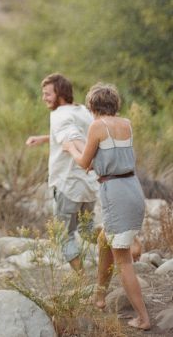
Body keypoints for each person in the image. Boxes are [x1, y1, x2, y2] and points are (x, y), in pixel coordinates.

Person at [62, 82, 150, 331]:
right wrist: (89, 154)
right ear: (115, 104)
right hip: (133, 188)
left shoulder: (97, 126)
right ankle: (100, 297)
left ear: (91, 106)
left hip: (116, 195)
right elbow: (105, 157)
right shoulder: (126, 125)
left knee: (123, 261)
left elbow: (83, 163)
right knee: (103, 240)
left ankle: (143, 318)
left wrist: (70, 147)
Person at [26, 73, 98, 270]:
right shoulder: (82, 110)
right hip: (89, 184)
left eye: (48, 94)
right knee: (87, 231)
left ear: (60, 93)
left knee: (63, 235)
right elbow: (71, 134)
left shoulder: (59, 115)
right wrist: (43, 138)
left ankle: (82, 280)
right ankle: (121, 241)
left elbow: (73, 137)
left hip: (68, 184)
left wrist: (89, 157)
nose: (44, 98)